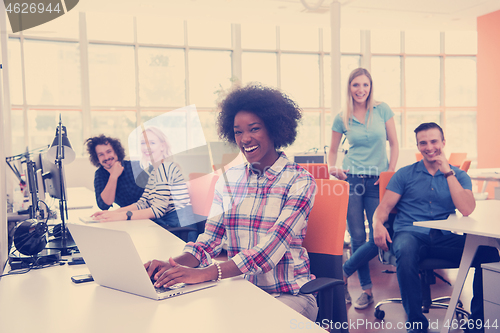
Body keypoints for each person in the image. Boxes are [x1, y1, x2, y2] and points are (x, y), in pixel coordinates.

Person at [143, 85, 319, 321]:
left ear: (274, 129)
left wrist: (207, 273)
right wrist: (172, 266)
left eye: (254, 129)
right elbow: (210, 241)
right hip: (242, 291)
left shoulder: (299, 181)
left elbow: (268, 252)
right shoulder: (230, 179)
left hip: (289, 295)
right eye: (238, 132)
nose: (245, 139)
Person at [373, 122, 499, 333]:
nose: (429, 147)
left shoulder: (458, 175)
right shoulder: (404, 174)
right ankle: (416, 324)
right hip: (409, 233)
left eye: (434, 141)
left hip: (441, 237)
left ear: (443, 142)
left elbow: (467, 209)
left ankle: (477, 323)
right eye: (423, 143)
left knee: (489, 254)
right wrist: (377, 223)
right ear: (418, 146)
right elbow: (384, 208)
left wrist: (447, 172)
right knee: (404, 248)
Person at [328, 67, 399, 309]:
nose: (361, 90)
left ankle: (344, 271)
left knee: (379, 233)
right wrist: (333, 168)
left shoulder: (383, 110)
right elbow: (332, 150)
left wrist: (389, 173)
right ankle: (366, 290)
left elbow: (395, 144)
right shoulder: (342, 117)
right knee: (357, 235)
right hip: (352, 180)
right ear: (349, 87)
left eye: (365, 85)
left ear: (371, 87)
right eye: (356, 85)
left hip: (377, 181)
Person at [91, 127, 196, 240]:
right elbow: (143, 202)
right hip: (166, 225)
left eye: (152, 143)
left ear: (162, 146)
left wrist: (121, 216)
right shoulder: (155, 171)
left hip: (179, 229)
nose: (147, 147)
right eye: (143, 143)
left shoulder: (166, 168)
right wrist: (113, 214)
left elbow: (157, 210)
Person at [85, 135, 145, 210]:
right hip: (129, 216)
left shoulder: (136, 166)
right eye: (101, 155)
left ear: (117, 152)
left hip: (151, 215)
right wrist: (113, 176)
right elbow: (103, 205)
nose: (106, 157)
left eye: (109, 152)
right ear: (97, 159)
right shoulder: (100, 174)